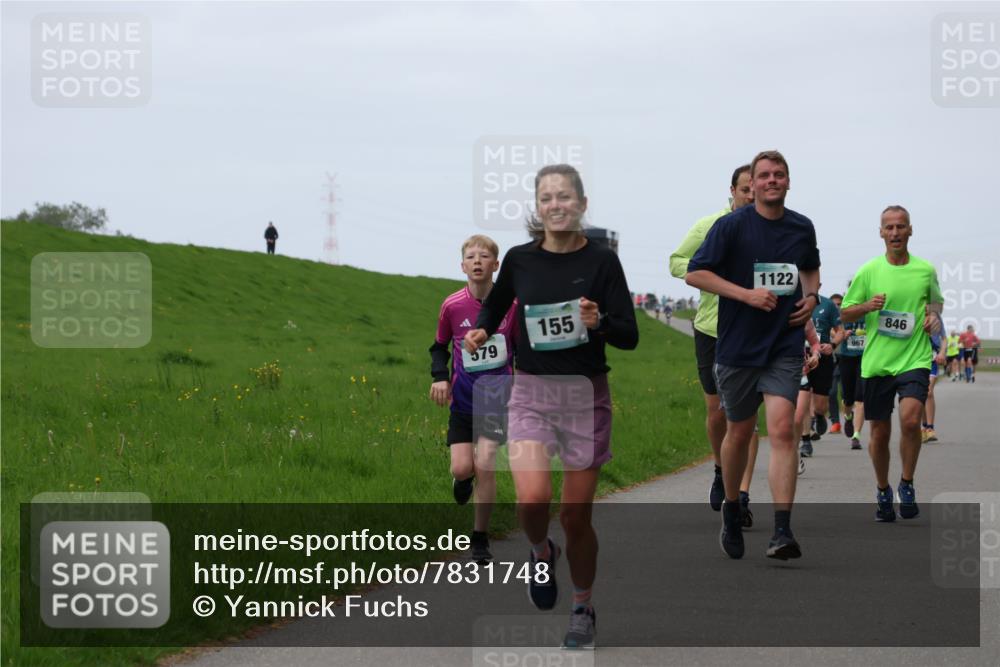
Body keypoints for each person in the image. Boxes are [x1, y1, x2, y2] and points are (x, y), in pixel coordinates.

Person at [465, 164, 638, 650]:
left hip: (585, 397)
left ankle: (582, 606)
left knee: (576, 516)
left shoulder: (603, 262)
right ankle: (541, 553)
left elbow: (628, 335)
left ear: (582, 204)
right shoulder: (520, 260)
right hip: (532, 395)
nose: (556, 204)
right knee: (533, 498)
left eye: (565, 196)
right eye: (546, 198)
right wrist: (481, 329)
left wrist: (599, 320)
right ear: (537, 208)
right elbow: (494, 307)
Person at [687, 150, 820, 560]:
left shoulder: (802, 227)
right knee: (739, 432)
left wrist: (812, 296)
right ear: (753, 183)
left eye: (779, 175)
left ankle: (782, 531)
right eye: (764, 176)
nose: (771, 181)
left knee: (783, 431)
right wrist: (745, 294)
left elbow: (810, 268)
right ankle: (731, 505)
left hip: (783, 342)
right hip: (737, 346)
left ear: (788, 181)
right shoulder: (730, 227)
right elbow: (695, 272)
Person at [670, 164, 761, 526]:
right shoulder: (710, 225)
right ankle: (721, 470)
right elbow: (677, 262)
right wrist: (712, 277)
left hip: (754, 331)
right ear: (733, 191)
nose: (751, 196)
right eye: (745, 190)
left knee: (748, 419)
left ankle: (742, 495)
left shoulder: (771, 230)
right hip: (713, 329)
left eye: (756, 191)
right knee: (717, 413)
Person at [841, 205, 943, 522]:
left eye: (901, 227)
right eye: (889, 227)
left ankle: (907, 483)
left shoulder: (925, 270)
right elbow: (845, 312)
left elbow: (935, 302)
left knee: (911, 420)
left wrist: (933, 317)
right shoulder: (868, 271)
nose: (895, 233)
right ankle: (883, 489)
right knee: (880, 434)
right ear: (881, 232)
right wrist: (868, 306)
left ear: (910, 230)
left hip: (914, 357)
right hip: (878, 363)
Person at [429, 235, 518, 564]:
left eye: (485, 256)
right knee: (463, 467)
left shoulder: (512, 306)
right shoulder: (452, 305)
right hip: (463, 402)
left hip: (497, 400)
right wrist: (440, 377)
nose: (477, 261)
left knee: (485, 464)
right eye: (471, 256)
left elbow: (520, 348)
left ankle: (479, 538)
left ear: (496, 266)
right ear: (463, 266)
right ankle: (461, 480)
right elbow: (438, 348)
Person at [798, 289, 844, 457]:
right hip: (798, 355)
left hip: (822, 355)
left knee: (820, 404)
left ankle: (818, 415)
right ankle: (806, 440)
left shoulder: (828, 305)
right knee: (802, 396)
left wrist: (832, 345)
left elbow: (840, 330)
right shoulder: (791, 301)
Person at [837, 281, 867, 450]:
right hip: (847, 357)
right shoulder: (843, 311)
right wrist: (842, 333)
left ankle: (856, 435)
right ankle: (848, 417)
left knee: (860, 398)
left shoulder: (869, 311)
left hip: (865, 357)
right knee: (848, 398)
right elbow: (834, 331)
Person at [921, 332, 946, 443]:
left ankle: (930, 428)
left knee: (929, 391)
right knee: (920, 394)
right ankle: (924, 426)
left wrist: (942, 353)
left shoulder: (935, 318)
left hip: (932, 360)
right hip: (916, 360)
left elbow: (944, 338)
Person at [827, 293, 844, 434]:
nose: (837, 307)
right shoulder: (827, 319)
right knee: (832, 392)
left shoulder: (848, 318)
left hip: (846, 359)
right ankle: (835, 422)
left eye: (839, 304)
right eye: (834, 304)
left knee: (846, 393)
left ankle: (849, 414)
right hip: (832, 360)